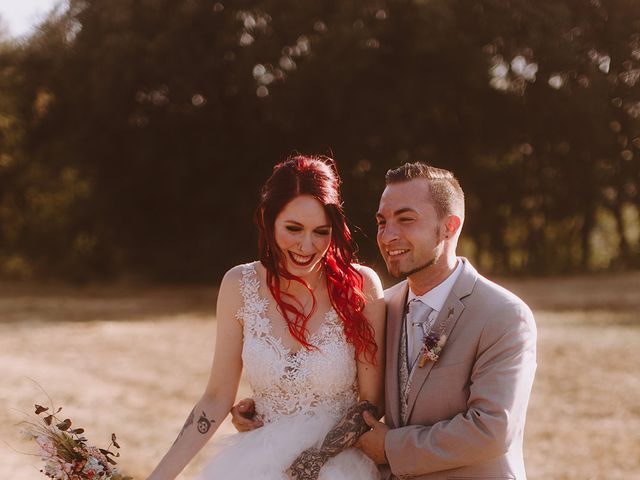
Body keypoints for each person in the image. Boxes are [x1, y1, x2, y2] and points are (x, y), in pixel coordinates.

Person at [234, 162, 537, 480]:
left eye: (406, 220)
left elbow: (492, 429)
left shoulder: (502, 315)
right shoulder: (380, 305)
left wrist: (391, 447)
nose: (388, 235)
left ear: (450, 226)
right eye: (382, 222)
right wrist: (274, 404)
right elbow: (349, 391)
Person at [146, 155, 385, 480]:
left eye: (320, 231)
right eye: (293, 228)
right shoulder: (238, 285)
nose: (306, 245)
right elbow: (216, 398)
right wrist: (159, 477)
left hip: (338, 463)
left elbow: (371, 403)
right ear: (267, 219)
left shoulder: (361, 285)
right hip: (258, 463)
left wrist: (315, 460)